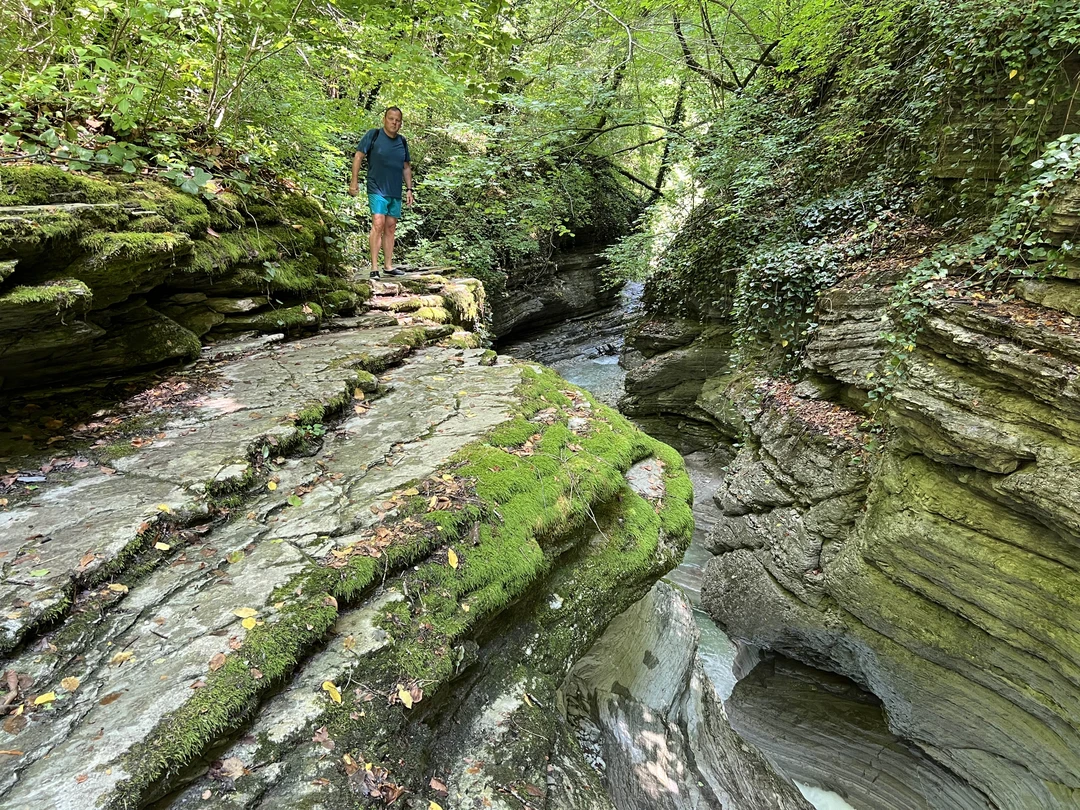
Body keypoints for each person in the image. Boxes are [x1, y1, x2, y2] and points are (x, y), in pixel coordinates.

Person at [348, 106, 414, 278]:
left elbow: (406, 167)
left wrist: (409, 189)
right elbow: (358, 157)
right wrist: (354, 181)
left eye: (397, 120)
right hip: (376, 187)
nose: (394, 122)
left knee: (391, 227)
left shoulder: (402, 141)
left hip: (394, 190)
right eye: (391, 118)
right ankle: (374, 268)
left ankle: (388, 266)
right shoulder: (374, 135)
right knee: (378, 223)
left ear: (401, 123)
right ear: (385, 119)